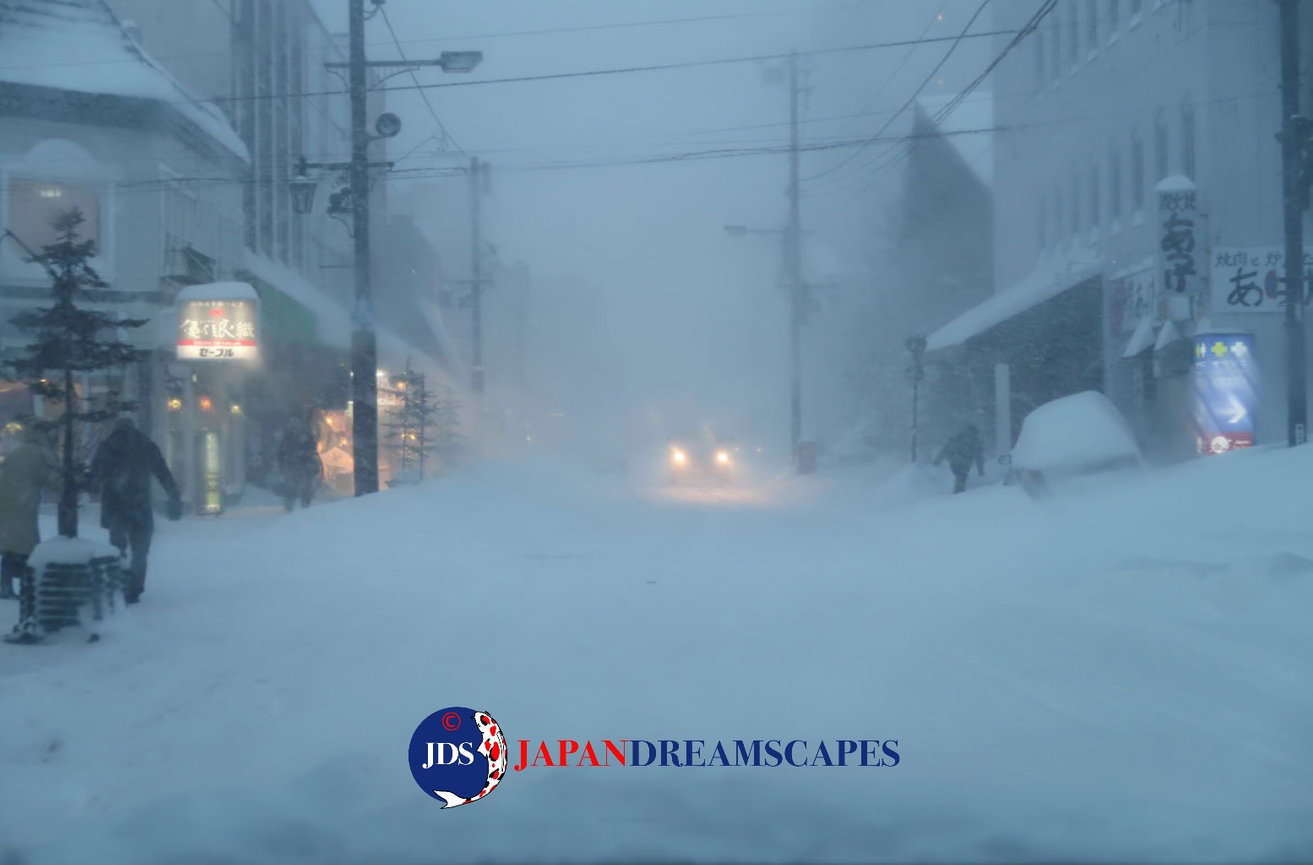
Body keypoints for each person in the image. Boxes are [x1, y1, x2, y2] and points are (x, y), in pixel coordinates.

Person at [90, 417, 182, 604]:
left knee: (117, 548)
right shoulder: (145, 445)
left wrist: (93, 487)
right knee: (140, 552)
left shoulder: (107, 447)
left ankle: (117, 585)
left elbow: (94, 476)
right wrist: (173, 493)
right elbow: (162, 471)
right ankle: (134, 588)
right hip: (140, 506)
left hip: (116, 507)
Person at [0, 426, 57, 599]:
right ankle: (27, 587)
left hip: (7, 501)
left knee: (11, 544)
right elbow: (52, 479)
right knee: (26, 546)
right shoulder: (41, 453)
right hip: (23, 503)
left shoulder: (19, 451)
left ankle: (5, 586)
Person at [276, 416, 322, 511]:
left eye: (295, 427)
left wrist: (305, 454)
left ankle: (305, 507)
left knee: (305, 488)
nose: (294, 429)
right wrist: (282, 466)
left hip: (304, 467)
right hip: (292, 466)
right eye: (293, 427)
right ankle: (289, 506)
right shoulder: (287, 438)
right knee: (290, 487)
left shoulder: (306, 437)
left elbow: (312, 450)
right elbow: (281, 453)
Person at [934, 423, 985, 494]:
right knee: (961, 477)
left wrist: (937, 461)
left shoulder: (957, 438)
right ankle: (959, 494)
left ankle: (958, 492)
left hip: (955, 462)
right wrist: (981, 470)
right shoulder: (974, 442)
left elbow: (945, 450)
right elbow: (979, 457)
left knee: (959, 477)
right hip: (963, 463)